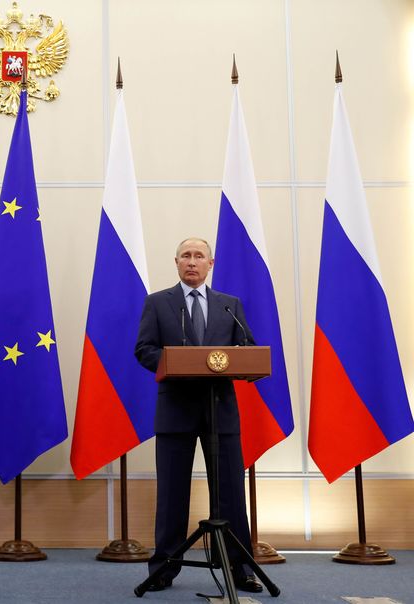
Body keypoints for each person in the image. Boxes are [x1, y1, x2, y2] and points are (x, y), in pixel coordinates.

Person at [134, 237, 263, 594]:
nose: (192, 262)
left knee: (231, 494)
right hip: (175, 409)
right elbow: (143, 349)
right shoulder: (159, 303)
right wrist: (171, 363)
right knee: (172, 493)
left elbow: (248, 349)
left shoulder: (229, 305)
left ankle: (240, 568)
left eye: (199, 256)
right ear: (176, 262)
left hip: (220, 410)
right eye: (186, 256)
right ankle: (164, 567)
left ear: (211, 263)